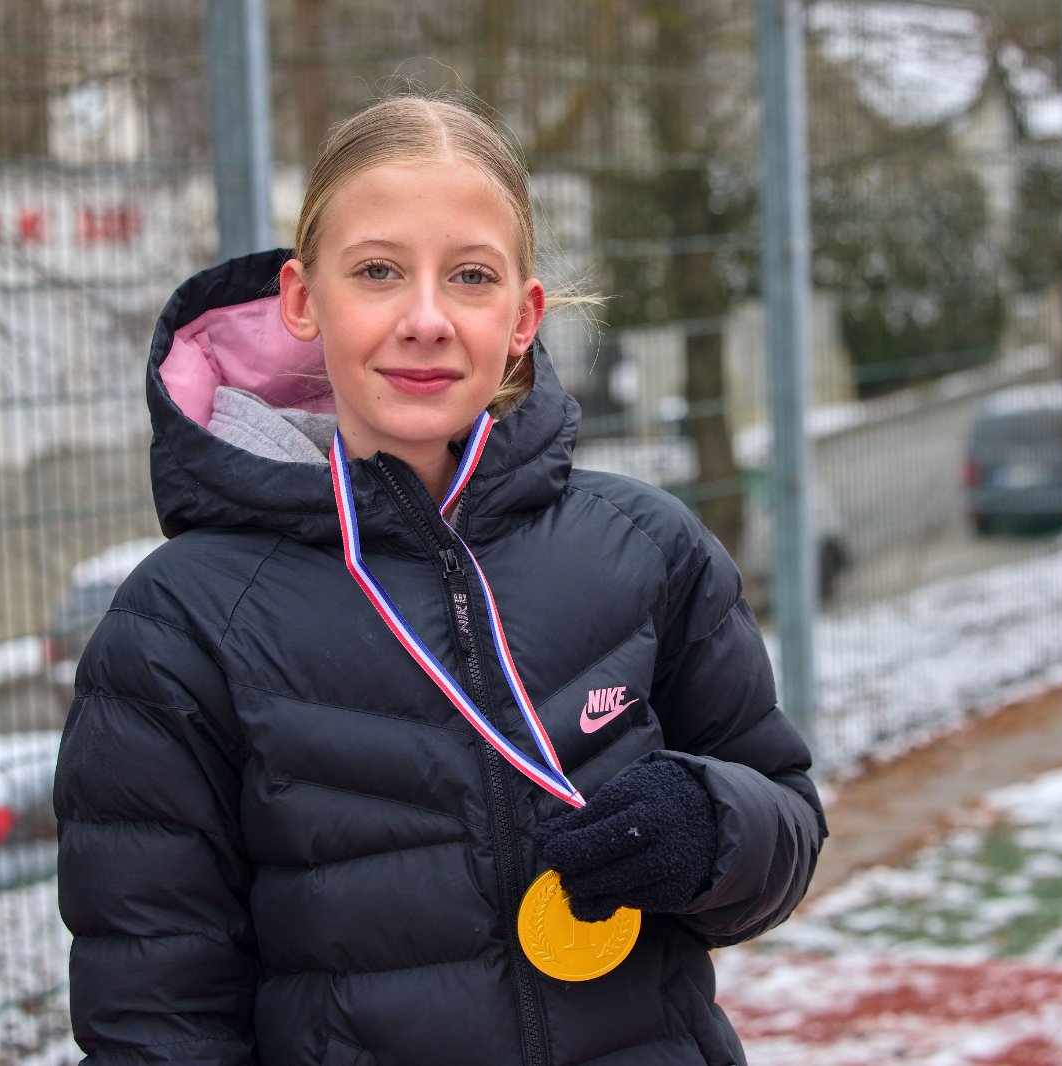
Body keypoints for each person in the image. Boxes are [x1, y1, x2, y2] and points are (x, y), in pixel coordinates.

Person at [54, 93, 826, 1066]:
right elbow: (154, 1023)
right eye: (378, 271)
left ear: (522, 316)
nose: (425, 320)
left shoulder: (646, 547)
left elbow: (787, 816)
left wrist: (712, 827)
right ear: (302, 299)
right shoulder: (181, 624)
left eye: (470, 276)